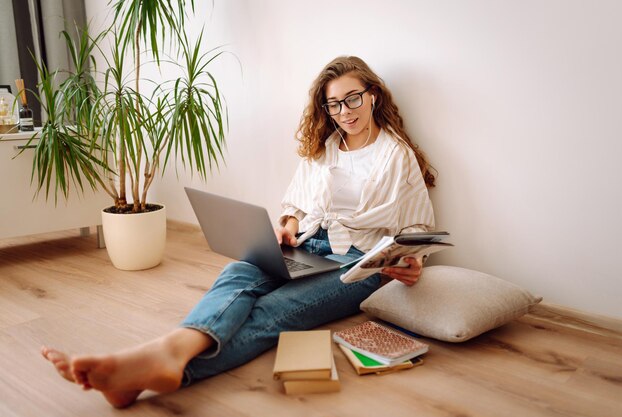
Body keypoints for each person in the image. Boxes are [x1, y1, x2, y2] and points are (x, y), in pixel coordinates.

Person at [41, 56, 436, 408]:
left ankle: (158, 368)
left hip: (357, 263)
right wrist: (287, 228)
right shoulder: (325, 147)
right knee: (238, 273)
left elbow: (418, 225)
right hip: (308, 245)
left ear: (373, 96)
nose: (344, 112)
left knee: (274, 309)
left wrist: (411, 262)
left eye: (352, 99)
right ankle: (165, 355)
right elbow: (297, 208)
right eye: (333, 104)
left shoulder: (396, 155)